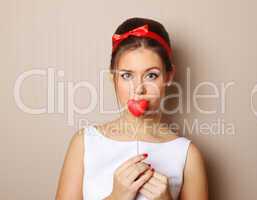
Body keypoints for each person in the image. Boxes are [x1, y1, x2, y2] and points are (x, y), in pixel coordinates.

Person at [55, 17, 208, 200]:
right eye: (127, 75)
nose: (139, 89)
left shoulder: (188, 155)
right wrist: (116, 197)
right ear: (113, 78)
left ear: (169, 76)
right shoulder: (85, 143)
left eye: (151, 75)